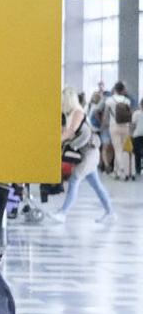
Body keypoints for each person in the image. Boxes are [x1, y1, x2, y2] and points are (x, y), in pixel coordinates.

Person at [57, 88, 114, 223]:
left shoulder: (78, 113)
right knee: (97, 185)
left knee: (74, 179)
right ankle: (110, 212)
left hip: (89, 153)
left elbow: (70, 132)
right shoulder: (69, 114)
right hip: (85, 153)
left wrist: (55, 141)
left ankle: (63, 213)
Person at [108, 81, 135, 181]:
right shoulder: (127, 100)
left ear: (115, 89)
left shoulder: (109, 100)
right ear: (123, 90)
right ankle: (116, 172)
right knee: (121, 149)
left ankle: (123, 171)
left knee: (117, 150)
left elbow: (105, 113)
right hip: (125, 126)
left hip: (114, 126)